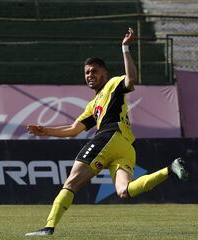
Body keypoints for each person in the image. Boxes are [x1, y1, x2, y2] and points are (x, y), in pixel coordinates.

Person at [24, 28, 188, 237]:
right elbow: (74, 130)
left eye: (94, 71)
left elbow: (132, 79)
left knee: (71, 182)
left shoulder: (113, 84)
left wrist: (125, 48)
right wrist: (45, 130)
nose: (89, 75)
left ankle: (48, 227)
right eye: (87, 72)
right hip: (125, 148)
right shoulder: (93, 105)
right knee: (124, 191)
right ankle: (169, 169)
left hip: (109, 136)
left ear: (104, 73)